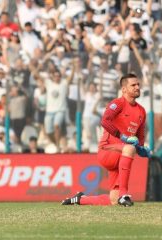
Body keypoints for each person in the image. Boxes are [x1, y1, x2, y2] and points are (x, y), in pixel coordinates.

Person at [61, 73, 151, 207]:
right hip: (107, 150)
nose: (137, 87)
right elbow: (105, 121)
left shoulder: (142, 111)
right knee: (129, 148)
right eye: (133, 85)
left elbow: (139, 137)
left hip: (121, 155)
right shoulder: (117, 103)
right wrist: (123, 137)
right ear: (124, 89)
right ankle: (124, 194)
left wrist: (142, 149)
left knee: (112, 201)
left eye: (138, 84)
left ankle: (80, 199)